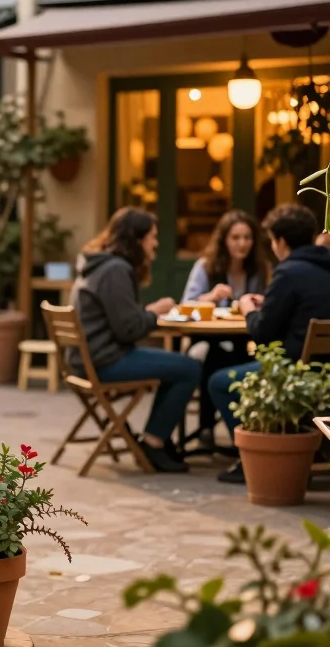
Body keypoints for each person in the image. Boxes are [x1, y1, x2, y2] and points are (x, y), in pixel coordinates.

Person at [70, 207, 201, 473]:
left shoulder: (99, 265)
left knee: (177, 366)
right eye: (152, 236)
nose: (156, 243)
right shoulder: (115, 269)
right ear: (136, 239)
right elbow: (128, 330)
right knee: (189, 368)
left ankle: (158, 439)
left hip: (87, 359)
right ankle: (153, 442)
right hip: (106, 361)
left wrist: (148, 312)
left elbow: (123, 321)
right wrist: (156, 311)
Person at [208, 204, 330, 483]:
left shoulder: (288, 273)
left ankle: (251, 456)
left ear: (281, 242)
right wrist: (270, 304)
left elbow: (264, 334)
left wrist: (248, 309)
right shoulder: (324, 267)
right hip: (326, 373)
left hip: (295, 375)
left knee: (220, 382)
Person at [180, 210, 269, 445]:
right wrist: (210, 296)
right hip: (206, 337)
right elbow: (186, 305)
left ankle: (219, 428)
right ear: (224, 240)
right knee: (215, 355)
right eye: (236, 238)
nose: (242, 244)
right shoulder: (205, 267)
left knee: (234, 355)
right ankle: (221, 428)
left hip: (242, 337)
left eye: (247, 238)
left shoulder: (258, 269)